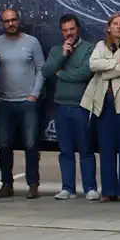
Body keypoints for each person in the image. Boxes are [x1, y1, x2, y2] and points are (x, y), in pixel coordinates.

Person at [83, 12, 120, 202]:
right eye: (115, 24)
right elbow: (93, 65)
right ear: (109, 27)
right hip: (104, 102)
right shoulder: (101, 46)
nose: (119, 27)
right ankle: (108, 190)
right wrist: (116, 63)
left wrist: (106, 70)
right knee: (106, 148)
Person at [0, 7, 45, 199]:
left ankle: (33, 185)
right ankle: (7, 184)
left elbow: (41, 69)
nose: (10, 24)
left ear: (18, 21)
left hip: (27, 102)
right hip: (4, 103)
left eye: (13, 20)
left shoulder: (31, 42)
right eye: (6, 21)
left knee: (31, 144)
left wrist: (34, 95)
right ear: (1, 23)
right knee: (4, 145)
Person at [44, 14, 97, 199]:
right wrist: (62, 57)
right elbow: (46, 71)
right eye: (65, 30)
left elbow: (85, 73)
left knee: (85, 148)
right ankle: (68, 187)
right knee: (65, 150)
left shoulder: (89, 48)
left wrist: (61, 74)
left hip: (81, 106)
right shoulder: (56, 50)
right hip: (61, 106)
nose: (69, 34)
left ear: (78, 29)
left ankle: (90, 188)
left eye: (72, 29)